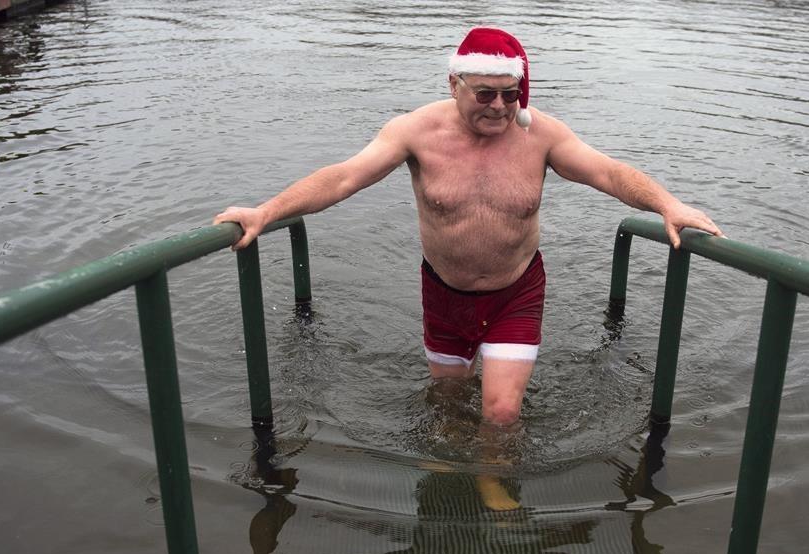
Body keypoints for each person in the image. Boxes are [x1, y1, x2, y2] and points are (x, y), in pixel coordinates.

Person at [214, 26, 723, 430]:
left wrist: (666, 204)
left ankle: (491, 481)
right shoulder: (415, 132)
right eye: (485, 94)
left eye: (510, 94)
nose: (500, 107)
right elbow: (346, 176)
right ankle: (450, 465)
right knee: (447, 403)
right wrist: (267, 212)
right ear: (453, 85)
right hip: (445, 293)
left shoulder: (541, 135)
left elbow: (607, 171)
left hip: (516, 293)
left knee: (501, 414)